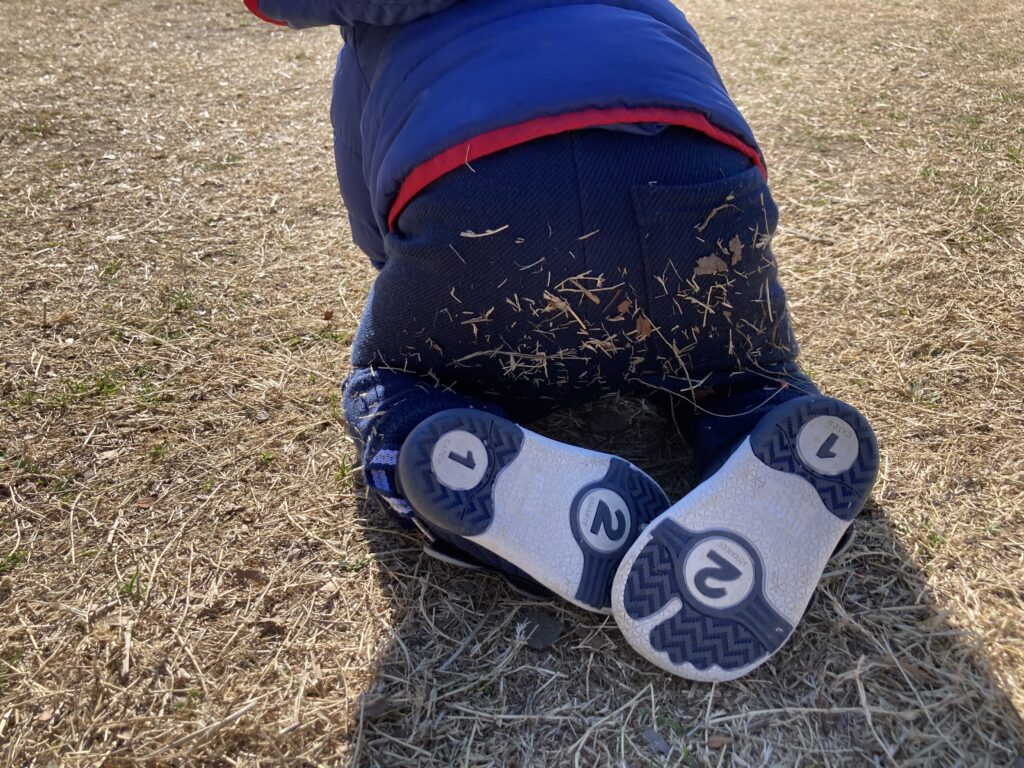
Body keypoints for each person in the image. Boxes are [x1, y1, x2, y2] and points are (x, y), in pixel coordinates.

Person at [242, 0, 879, 682]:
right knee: (737, 366)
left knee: (391, 378)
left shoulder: (372, 31)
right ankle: (766, 415)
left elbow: (368, 206)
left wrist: (412, 283)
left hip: (481, 197)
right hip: (695, 179)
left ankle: (434, 442)